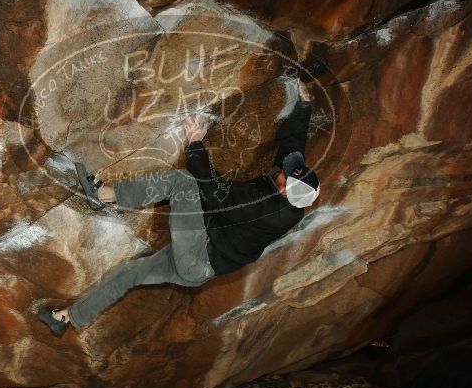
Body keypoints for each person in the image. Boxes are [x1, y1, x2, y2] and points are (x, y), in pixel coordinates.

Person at [38, 76, 320, 336]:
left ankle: (104, 196)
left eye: (286, 173)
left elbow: (214, 192)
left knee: (184, 182)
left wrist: (195, 143)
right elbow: (292, 145)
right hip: (199, 267)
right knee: (130, 274)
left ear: (283, 192)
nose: (284, 168)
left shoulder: (267, 211)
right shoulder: (291, 196)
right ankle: (66, 318)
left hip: (199, 255)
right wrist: (304, 106)